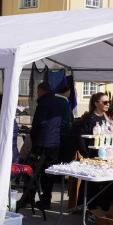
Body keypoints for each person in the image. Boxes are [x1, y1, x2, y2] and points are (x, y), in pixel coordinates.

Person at [16, 81, 68, 216]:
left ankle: (29, 198)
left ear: (40, 91)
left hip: (42, 142)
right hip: (54, 142)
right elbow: (64, 122)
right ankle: (46, 199)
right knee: (48, 173)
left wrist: (33, 136)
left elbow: (39, 123)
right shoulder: (59, 102)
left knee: (32, 169)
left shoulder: (44, 103)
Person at [74, 92, 113, 209]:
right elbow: (80, 137)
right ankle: (88, 207)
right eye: (105, 102)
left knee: (111, 181)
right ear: (96, 104)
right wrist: (85, 155)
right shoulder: (90, 118)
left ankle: (99, 206)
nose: (108, 104)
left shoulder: (106, 118)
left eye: (108, 102)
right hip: (93, 156)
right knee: (92, 182)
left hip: (104, 155)